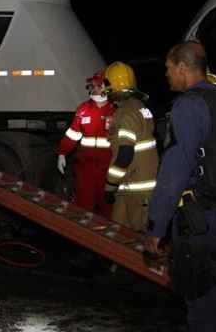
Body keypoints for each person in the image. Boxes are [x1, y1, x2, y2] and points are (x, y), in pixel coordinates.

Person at [145, 41, 216, 332]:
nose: (166, 75)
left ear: (182, 67)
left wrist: (156, 228)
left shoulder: (188, 105)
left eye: (168, 69)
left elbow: (174, 172)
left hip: (200, 223)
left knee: (200, 311)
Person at [103, 61, 159, 232]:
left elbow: (125, 154)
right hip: (134, 186)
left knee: (139, 240)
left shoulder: (126, 114)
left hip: (137, 190)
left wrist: (110, 184)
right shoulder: (140, 107)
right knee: (120, 234)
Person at [57, 70, 115, 218]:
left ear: (107, 87)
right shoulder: (83, 109)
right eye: (92, 86)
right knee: (82, 207)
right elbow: (72, 134)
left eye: (98, 85)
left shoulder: (116, 110)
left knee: (108, 208)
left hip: (107, 169)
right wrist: (62, 153)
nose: (94, 89)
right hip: (85, 168)